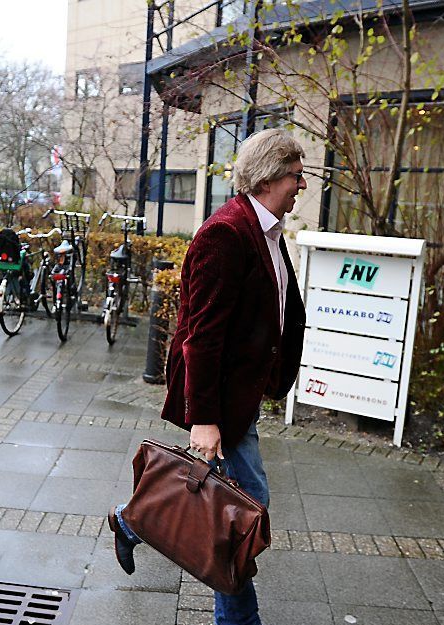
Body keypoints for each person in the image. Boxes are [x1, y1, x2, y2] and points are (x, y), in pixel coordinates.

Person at [108, 128, 307, 625]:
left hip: (241, 395)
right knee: (243, 510)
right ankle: (237, 618)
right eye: (296, 176)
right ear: (269, 177)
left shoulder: (265, 231)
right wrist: (204, 419)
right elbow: (202, 337)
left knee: (229, 510)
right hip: (220, 402)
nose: (301, 186)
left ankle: (133, 519)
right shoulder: (226, 233)